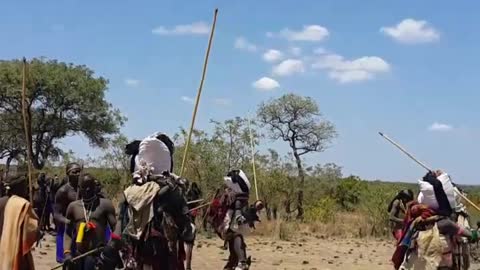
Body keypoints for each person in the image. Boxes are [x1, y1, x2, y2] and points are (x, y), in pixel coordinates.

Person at [62, 174, 117, 270]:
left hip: (99, 256)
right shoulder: (73, 207)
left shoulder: (105, 204)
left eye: (90, 186)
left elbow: (116, 230)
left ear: (95, 186)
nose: (87, 190)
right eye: (84, 187)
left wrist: (109, 250)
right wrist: (67, 253)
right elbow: (67, 233)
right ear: (79, 188)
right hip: (79, 257)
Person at [0, 173, 40, 270]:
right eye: (24, 185)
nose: (26, 188)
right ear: (18, 187)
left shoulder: (1, 202)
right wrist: (38, 232)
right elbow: (31, 232)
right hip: (17, 252)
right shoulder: (22, 205)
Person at [54, 162, 82, 263]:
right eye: (75, 172)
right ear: (68, 173)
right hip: (66, 229)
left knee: (79, 259)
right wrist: (67, 221)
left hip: (80, 228)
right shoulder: (62, 191)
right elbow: (56, 214)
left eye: (79, 171)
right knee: (66, 259)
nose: (78, 174)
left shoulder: (83, 188)